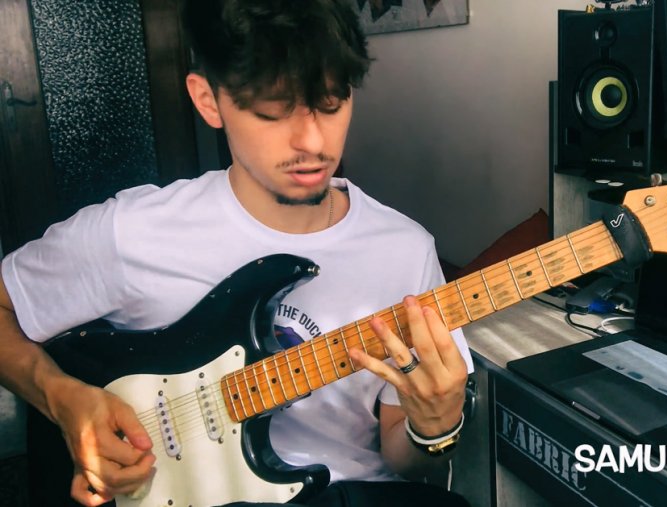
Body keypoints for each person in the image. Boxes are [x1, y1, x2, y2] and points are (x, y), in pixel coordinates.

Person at [0, 0, 473, 505]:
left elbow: (403, 456)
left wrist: (434, 426)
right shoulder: (131, 232)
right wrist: (64, 400)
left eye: (331, 103)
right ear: (208, 101)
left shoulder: (405, 251)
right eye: (272, 110)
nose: (312, 141)